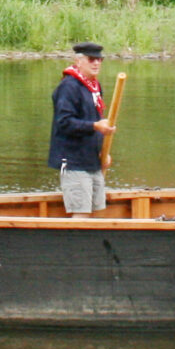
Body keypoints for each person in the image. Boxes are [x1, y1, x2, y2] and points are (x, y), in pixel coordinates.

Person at [49, 41, 115, 218]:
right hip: (72, 162)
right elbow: (64, 123)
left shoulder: (94, 87)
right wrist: (94, 126)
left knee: (98, 212)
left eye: (99, 60)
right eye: (91, 59)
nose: (96, 63)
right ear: (78, 61)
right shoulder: (68, 87)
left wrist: (103, 151)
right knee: (82, 214)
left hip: (92, 161)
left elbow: (97, 122)